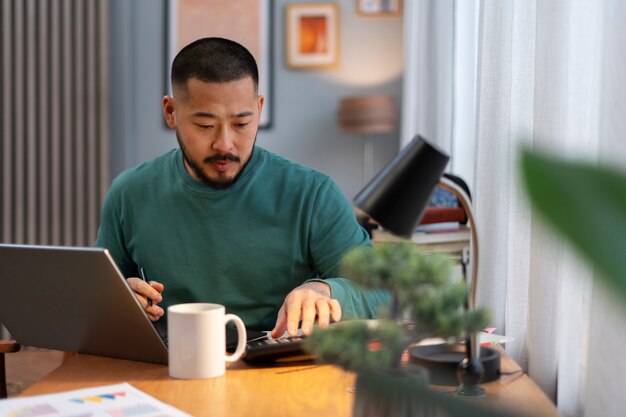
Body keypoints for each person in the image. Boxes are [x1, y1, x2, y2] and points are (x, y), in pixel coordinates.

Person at [95, 37, 388, 338]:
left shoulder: (312, 194)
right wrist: (121, 299)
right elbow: (95, 301)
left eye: (241, 124)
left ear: (259, 110)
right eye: (205, 126)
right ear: (171, 112)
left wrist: (325, 289)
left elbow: (381, 292)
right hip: (170, 365)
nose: (224, 144)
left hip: (276, 366)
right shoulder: (128, 193)